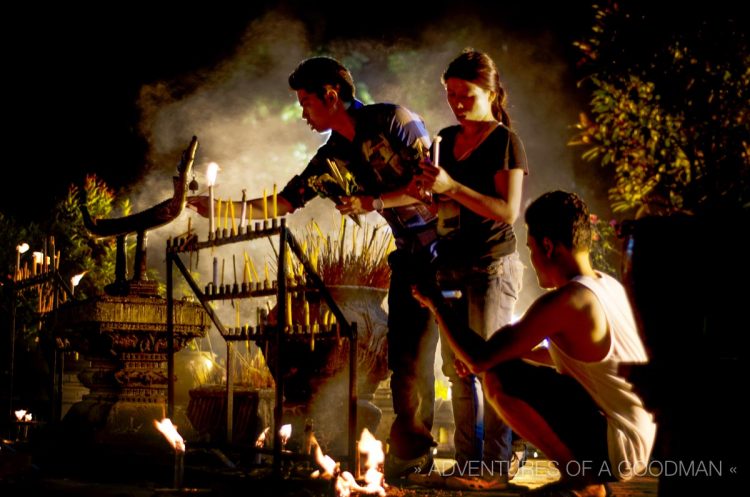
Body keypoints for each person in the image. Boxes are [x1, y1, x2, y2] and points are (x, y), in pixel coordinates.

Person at [188, 56, 440, 479]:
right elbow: (284, 203)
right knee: (405, 362)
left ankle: (481, 459)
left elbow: (430, 185)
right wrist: (221, 210)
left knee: (457, 361)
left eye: (306, 102)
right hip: (409, 258)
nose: (303, 113)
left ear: (331, 95)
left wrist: (370, 202)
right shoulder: (332, 158)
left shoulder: (393, 120)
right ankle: (411, 456)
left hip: (450, 251)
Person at [412, 191, 657, 497]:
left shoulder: (566, 300)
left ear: (547, 246)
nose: (531, 258)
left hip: (616, 445)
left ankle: (580, 479)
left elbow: (479, 360)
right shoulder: (607, 286)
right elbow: (569, 357)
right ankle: (586, 478)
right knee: (505, 364)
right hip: (638, 438)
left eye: (529, 248)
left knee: (499, 377)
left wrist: (436, 303)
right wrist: (505, 354)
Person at [418, 49, 528, 490]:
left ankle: (496, 468)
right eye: (450, 94)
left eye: (465, 94)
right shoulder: (445, 137)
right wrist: (431, 194)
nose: (457, 103)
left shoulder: (504, 141)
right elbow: (444, 201)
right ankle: (467, 465)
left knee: (491, 367)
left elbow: (508, 211)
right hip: (450, 264)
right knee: (458, 369)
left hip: (491, 265)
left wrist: (452, 186)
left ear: (490, 91)